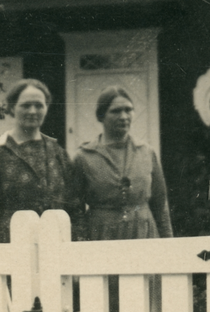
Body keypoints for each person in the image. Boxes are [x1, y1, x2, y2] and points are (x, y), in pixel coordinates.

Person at [0, 79, 79, 242]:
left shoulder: (58, 153)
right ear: (11, 108)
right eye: (25, 105)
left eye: (39, 105)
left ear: (46, 108)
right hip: (11, 244)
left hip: (56, 243)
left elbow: (75, 206)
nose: (32, 111)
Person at [71, 87, 173, 240]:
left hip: (143, 234)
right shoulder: (84, 157)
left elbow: (160, 205)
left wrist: (168, 243)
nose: (124, 116)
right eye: (116, 111)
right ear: (101, 115)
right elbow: (75, 210)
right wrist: (81, 244)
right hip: (101, 235)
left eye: (128, 110)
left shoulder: (146, 152)